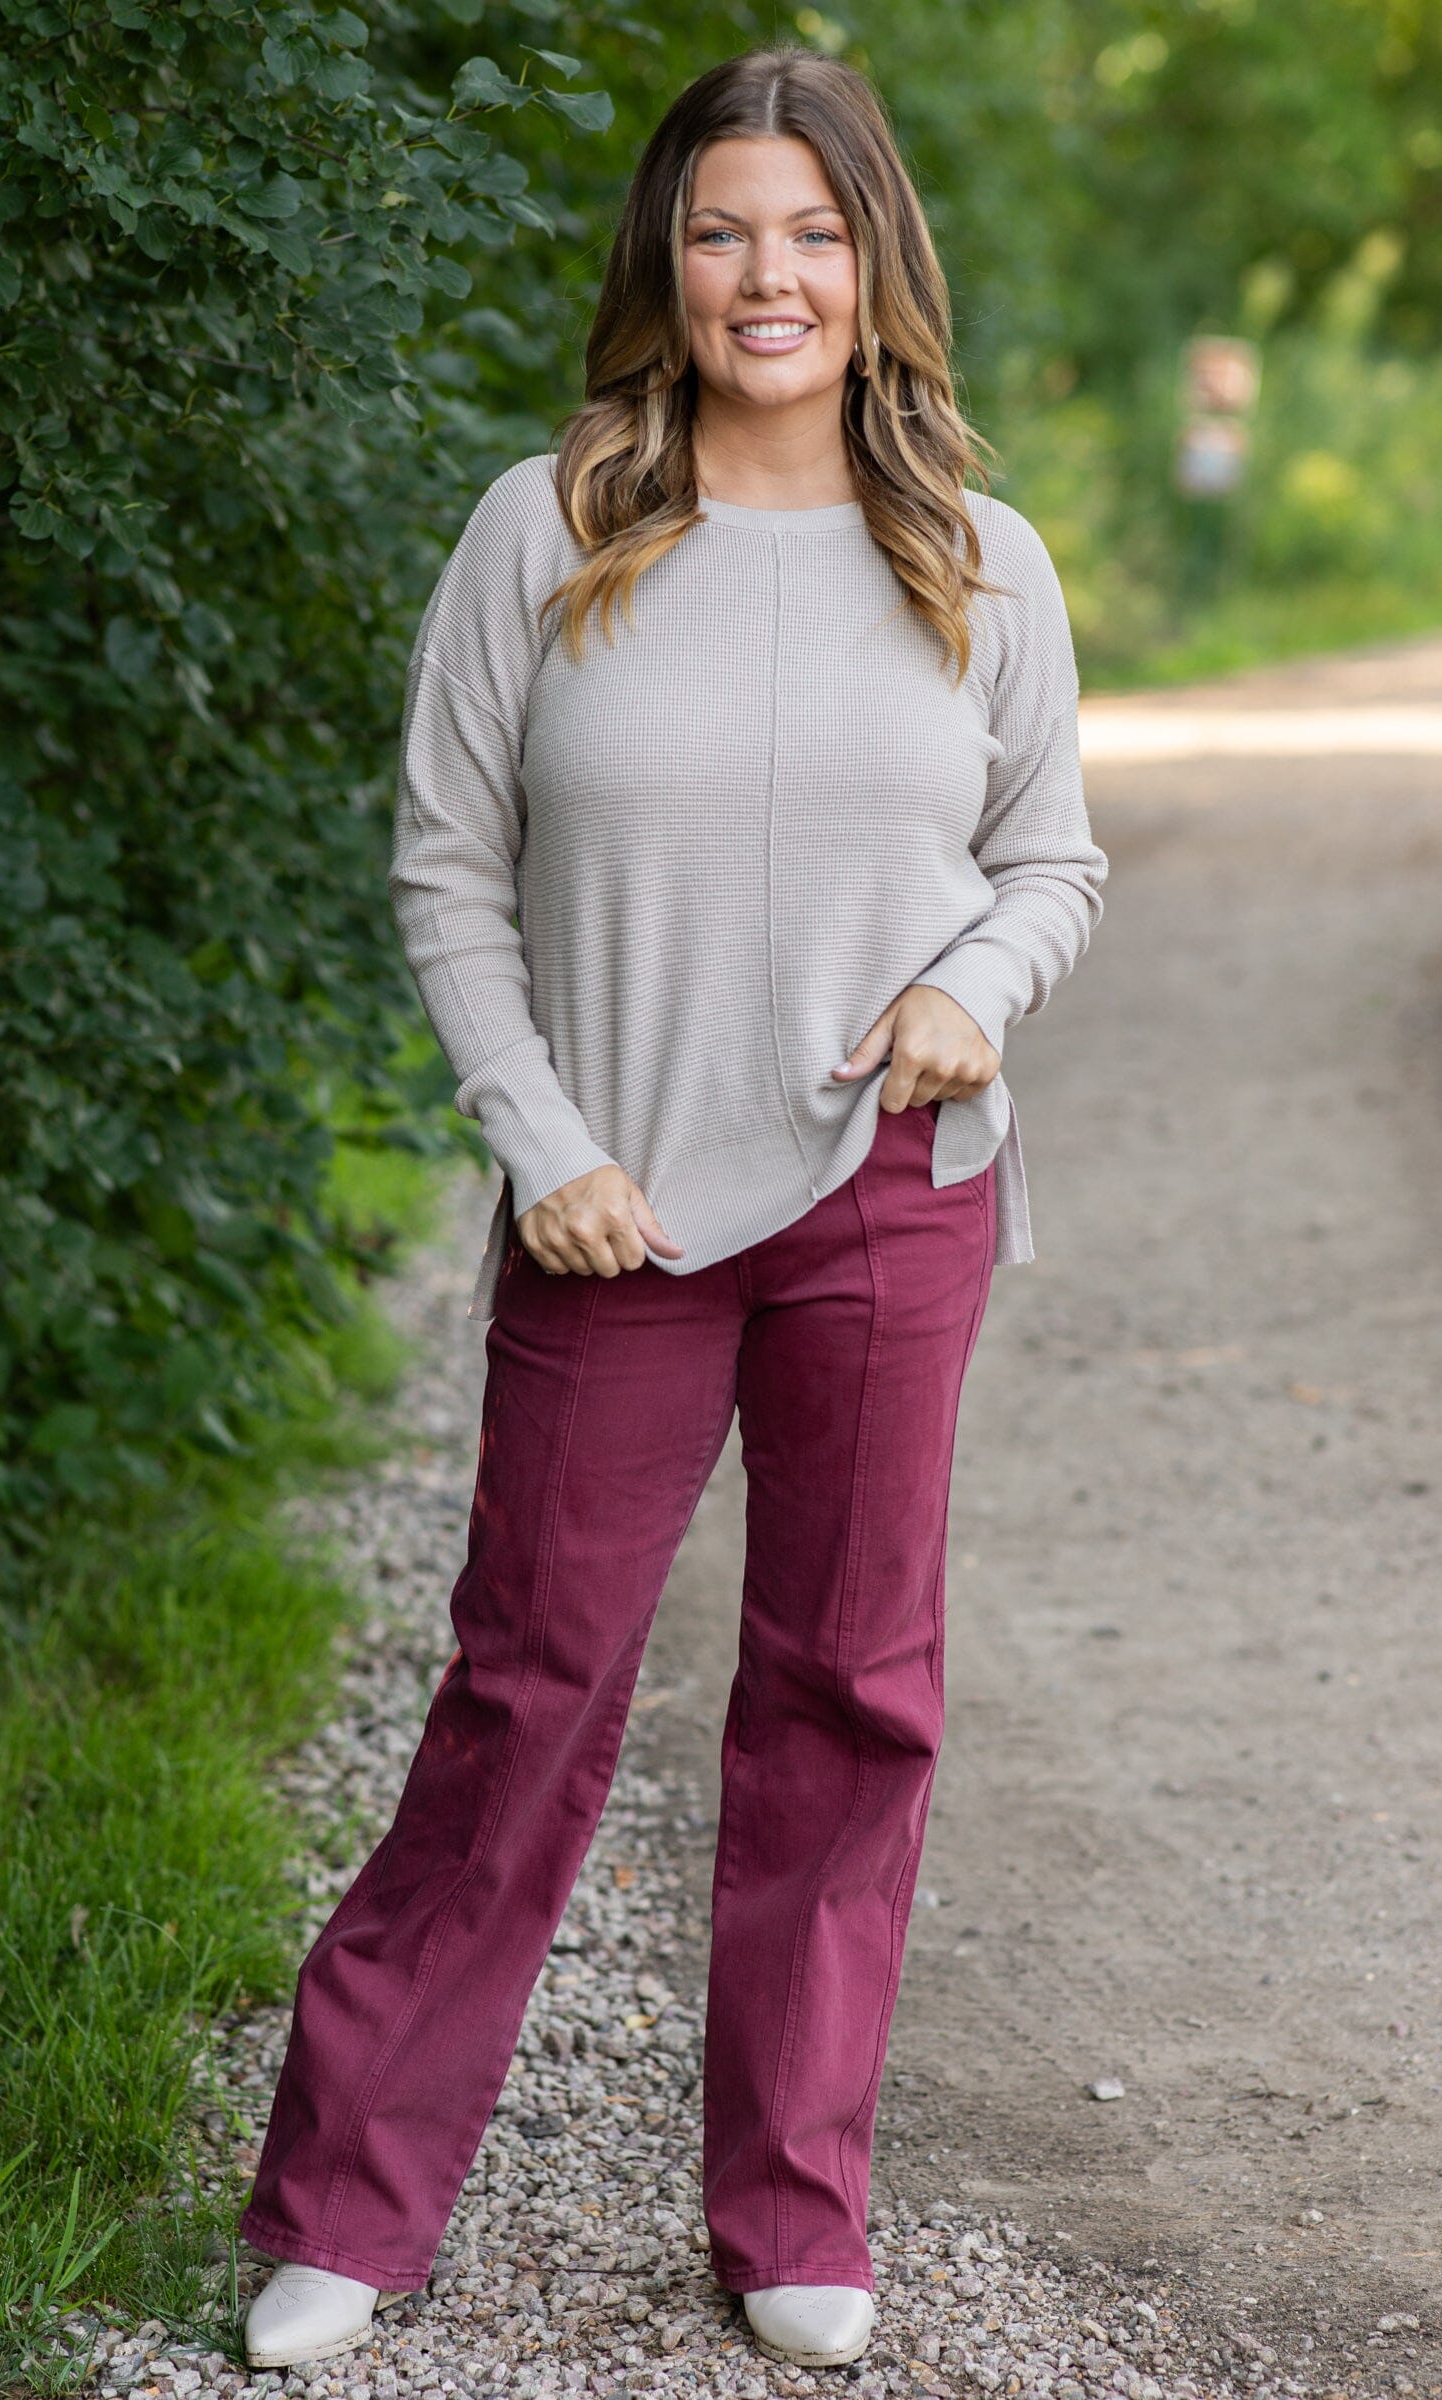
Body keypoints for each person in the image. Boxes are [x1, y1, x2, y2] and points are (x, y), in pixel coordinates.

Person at [238, 42, 1107, 2378]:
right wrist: (541, 1143)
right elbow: (447, 871)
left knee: (846, 1696)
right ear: (664, 259)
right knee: (526, 1690)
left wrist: (967, 993)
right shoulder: (544, 530)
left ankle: (792, 2205)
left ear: (875, 265)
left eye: (813, 233)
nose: (766, 275)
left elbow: (1047, 859)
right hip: (610, 1217)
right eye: (722, 230)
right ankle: (345, 2206)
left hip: (886, 1198)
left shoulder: (976, 556)